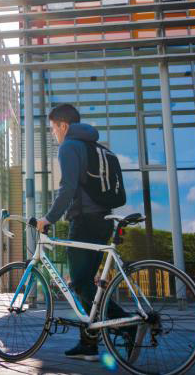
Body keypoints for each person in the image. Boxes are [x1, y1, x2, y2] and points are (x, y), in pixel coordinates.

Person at [35, 103, 133, 361]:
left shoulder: (69, 146)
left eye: (53, 129)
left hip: (84, 222)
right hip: (103, 221)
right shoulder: (98, 148)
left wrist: (48, 218)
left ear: (63, 125)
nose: (53, 134)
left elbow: (67, 189)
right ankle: (88, 343)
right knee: (87, 283)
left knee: (79, 283)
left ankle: (126, 324)